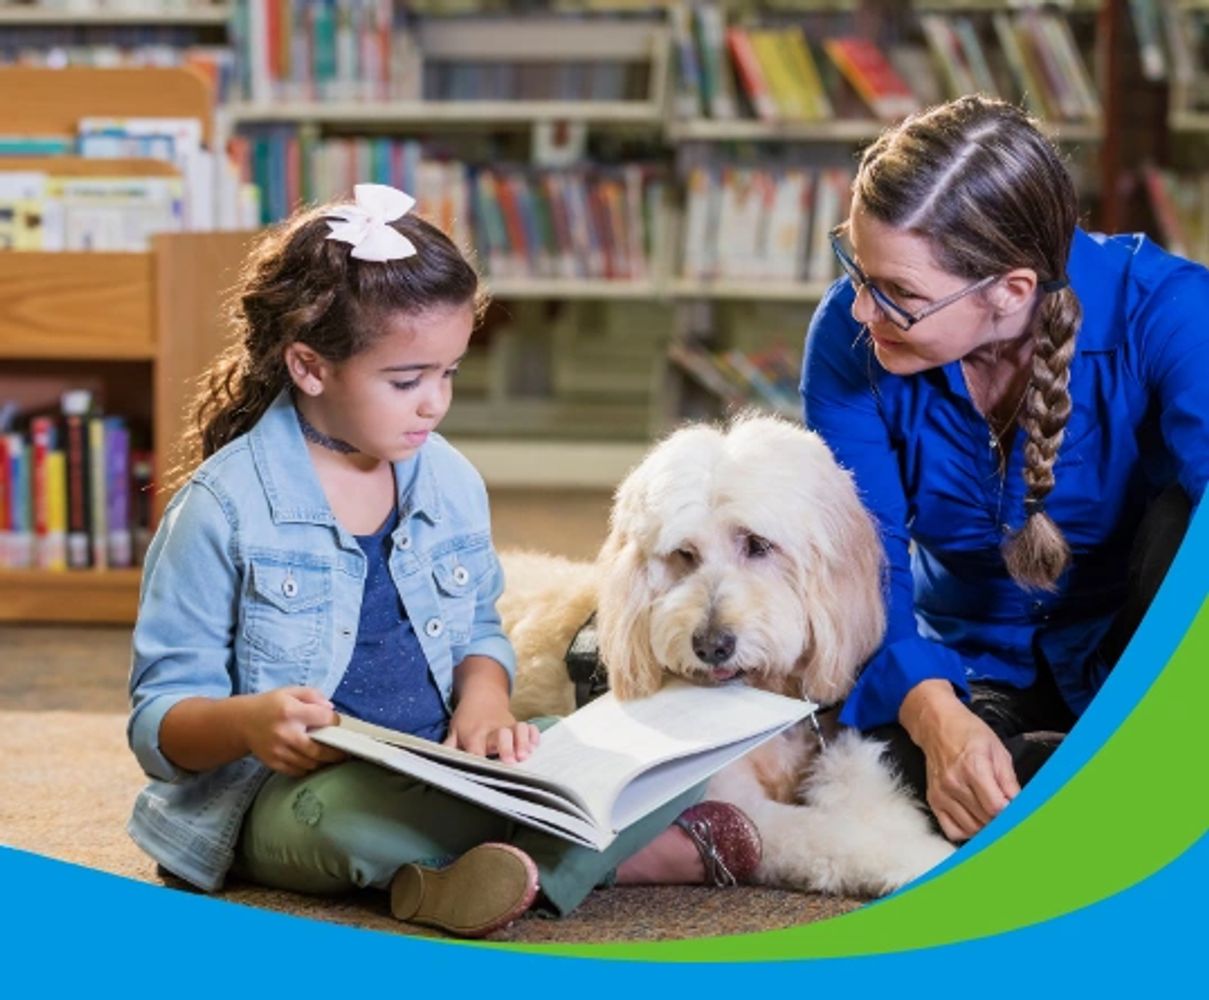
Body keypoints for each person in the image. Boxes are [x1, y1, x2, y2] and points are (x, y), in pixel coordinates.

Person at [127, 184, 761, 939]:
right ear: (308, 366)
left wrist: (486, 700)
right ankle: (601, 862)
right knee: (343, 826)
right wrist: (248, 722)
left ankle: (464, 880)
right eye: (406, 382)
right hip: (288, 797)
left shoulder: (448, 478)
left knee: (642, 744)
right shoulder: (221, 508)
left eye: (449, 373)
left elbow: (477, 634)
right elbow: (159, 725)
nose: (434, 404)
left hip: (444, 766)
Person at [802, 96, 1208, 844]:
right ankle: (1103, 781)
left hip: (1142, 651)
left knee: (1187, 521)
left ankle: (1118, 760)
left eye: (899, 294)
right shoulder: (846, 335)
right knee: (877, 768)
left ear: (1011, 291)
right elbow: (862, 561)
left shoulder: (1170, 310)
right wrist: (937, 720)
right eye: (856, 270)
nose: (861, 310)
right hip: (969, 660)